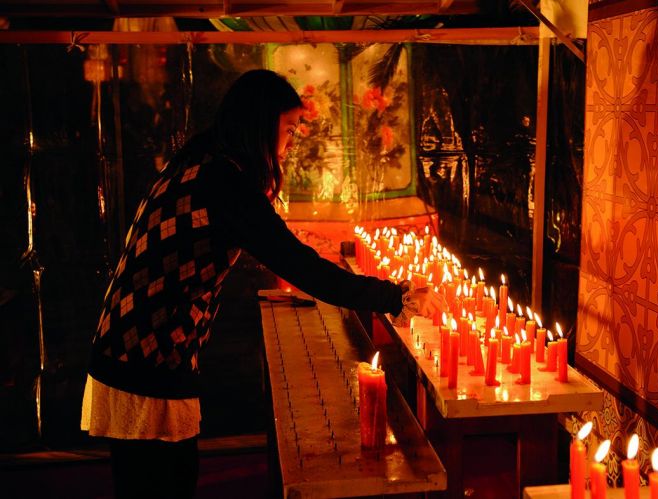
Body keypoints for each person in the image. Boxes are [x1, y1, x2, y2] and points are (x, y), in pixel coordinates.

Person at [80, 69, 445, 499]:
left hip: (133, 345)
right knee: (163, 482)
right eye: (288, 128)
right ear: (260, 123)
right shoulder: (224, 181)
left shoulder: (205, 162)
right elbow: (297, 264)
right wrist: (393, 295)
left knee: (164, 478)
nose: (291, 141)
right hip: (144, 355)